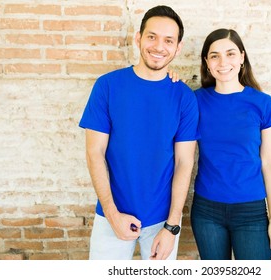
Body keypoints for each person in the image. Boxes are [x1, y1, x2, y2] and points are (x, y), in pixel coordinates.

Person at [79, 5, 199, 260]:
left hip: (162, 222)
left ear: (178, 48)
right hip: (111, 215)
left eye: (168, 40)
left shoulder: (185, 98)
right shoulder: (108, 86)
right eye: (152, 37)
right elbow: (94, 152)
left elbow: (183, 162)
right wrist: (112, 215)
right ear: (138, 38)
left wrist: (172, 226)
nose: (158, 46)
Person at [190, 28, 271, 260]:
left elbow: (268, 162)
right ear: (207, 62)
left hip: (250, 211)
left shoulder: (262, 103)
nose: (223, 62)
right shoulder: (195, 100)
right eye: (215, 56)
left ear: (242, 57)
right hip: (206, 210)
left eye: (230, 54)